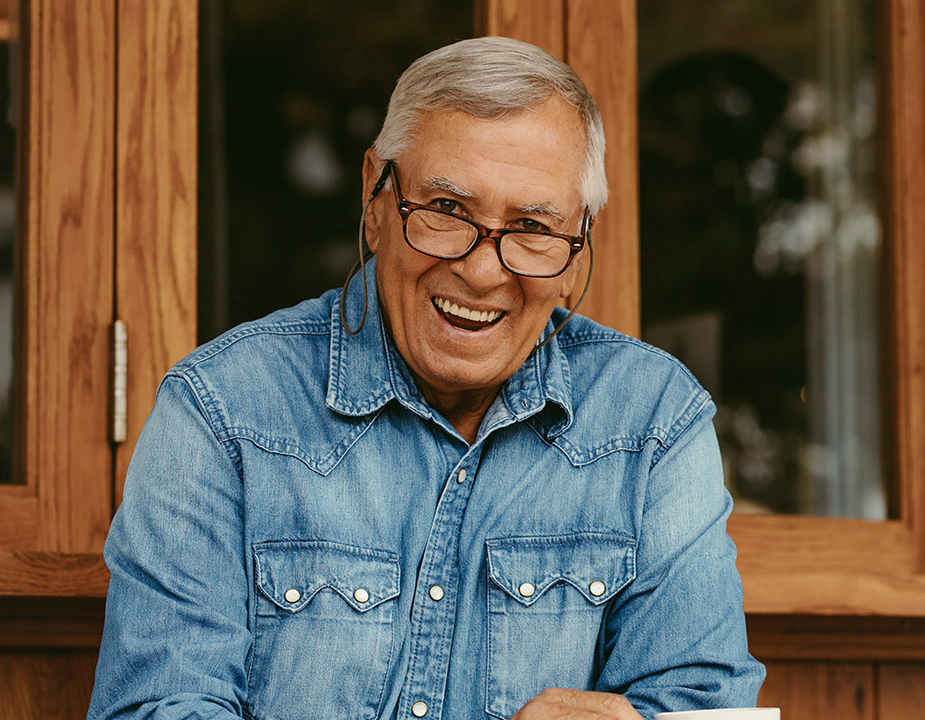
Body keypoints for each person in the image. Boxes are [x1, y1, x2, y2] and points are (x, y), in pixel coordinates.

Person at [87, 36, 764, 720]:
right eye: (445, 210)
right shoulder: (222, 409)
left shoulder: (653, 421)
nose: (483, 270)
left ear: (576, 243)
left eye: (532, 226)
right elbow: (157, 709)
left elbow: (703, 705)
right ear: (375, 198)